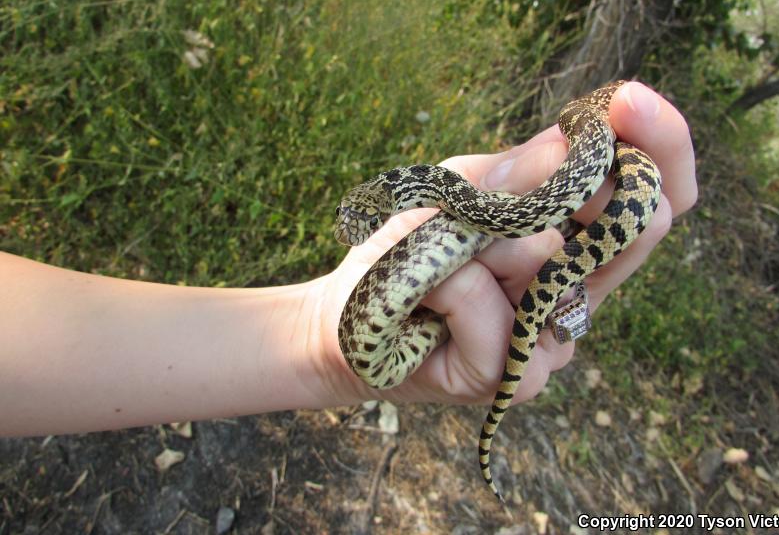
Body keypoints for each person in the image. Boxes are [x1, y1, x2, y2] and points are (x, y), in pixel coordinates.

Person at [0, 82, 696, 437]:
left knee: (626, 152)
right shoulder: (442, 203)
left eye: (362, 221)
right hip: (396, 312)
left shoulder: (456, 194)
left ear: (390, 204)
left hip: (570, 158)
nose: (356, 232)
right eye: (361, 221)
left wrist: (562, 279)